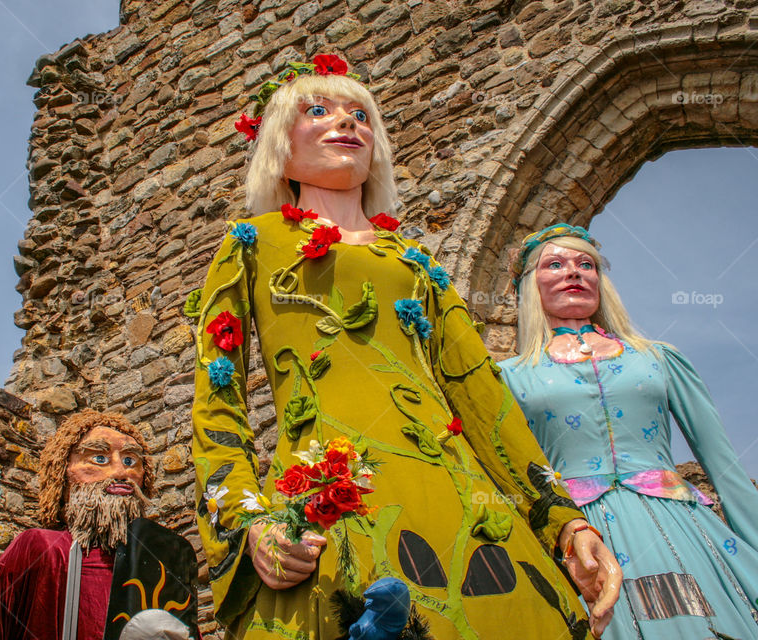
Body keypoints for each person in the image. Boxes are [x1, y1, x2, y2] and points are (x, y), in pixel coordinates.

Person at [190, 54, 621, 639]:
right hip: (330, 501)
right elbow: (218, 404)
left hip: (463, 495)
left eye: (361, 115)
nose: (348, 123)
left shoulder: (417, 260)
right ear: (279, 145)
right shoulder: (250, 242)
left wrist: (564, 523)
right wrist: (250, 523)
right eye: (318, 110)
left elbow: (482, 397)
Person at [499, 223, 758, 638]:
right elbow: (512, 472)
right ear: (530, 285)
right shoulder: (508, 378)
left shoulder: (659, 358)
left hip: (676, 525)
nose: (574, 272)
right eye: (555, 264)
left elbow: (723, 463)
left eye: (587, 264)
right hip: (579, 532)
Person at [0, 409, 198, 640]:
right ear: (63, 472)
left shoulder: (162, 560)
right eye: (99, 459)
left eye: (131, 461)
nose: (121, 472)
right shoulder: (42, 547)